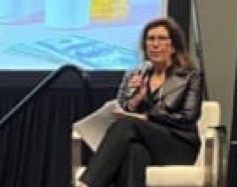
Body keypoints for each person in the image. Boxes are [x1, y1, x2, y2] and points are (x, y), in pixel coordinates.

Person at [77, 17, 204, 187]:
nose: (155, 44)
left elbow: (188, 118)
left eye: (161, 39)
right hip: (144, 143)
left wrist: (147, 117)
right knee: (134, 152)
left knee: (128, 124)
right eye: (150, 39)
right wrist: (136, 98)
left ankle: (87, 184)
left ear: (173, 46)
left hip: (179, 145)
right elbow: (122, 110)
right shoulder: (135, 75)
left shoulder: (190, 76)